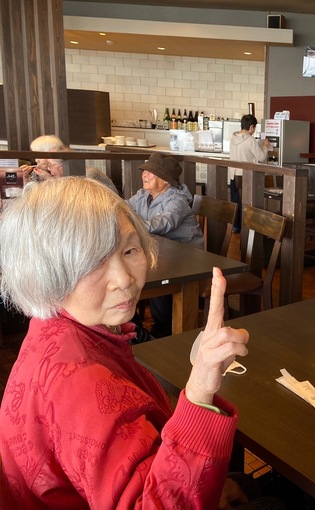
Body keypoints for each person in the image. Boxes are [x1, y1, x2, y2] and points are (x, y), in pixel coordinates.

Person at [0, 177, 248, 508]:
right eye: (92, 262)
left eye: (130, 250)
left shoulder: (56, 326)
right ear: (46, 272)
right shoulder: (80, 383)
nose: (125, 279)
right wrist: (201, 387)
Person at [128, 153, 204, 338]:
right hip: (160, 254)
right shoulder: (143, 195)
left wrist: (129, 226)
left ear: (165, 180)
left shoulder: (177, 200)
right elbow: (123, 208)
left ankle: (163, 330)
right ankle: (134, 326)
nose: (144, 175)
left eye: (151, 172)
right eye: (144, 171)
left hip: (185, 259)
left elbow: (162, 224)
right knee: (133, 272)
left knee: (155, 278)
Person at [18, 134, 118, 193]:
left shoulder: (86, 174)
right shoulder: (43, 173)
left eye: (39, 154)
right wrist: (24, 179)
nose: (36, 160)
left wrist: (51, 180)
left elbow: (71, 197)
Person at [229, 114, 270, 231]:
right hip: (245, 176)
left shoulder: (233, 137)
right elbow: (261, 157)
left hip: (233, 174)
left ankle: (236, 226)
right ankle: (246, 228)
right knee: (246, 202)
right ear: (251, 127)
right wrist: (265, 146)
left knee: (235, 201)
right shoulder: (250, 140)